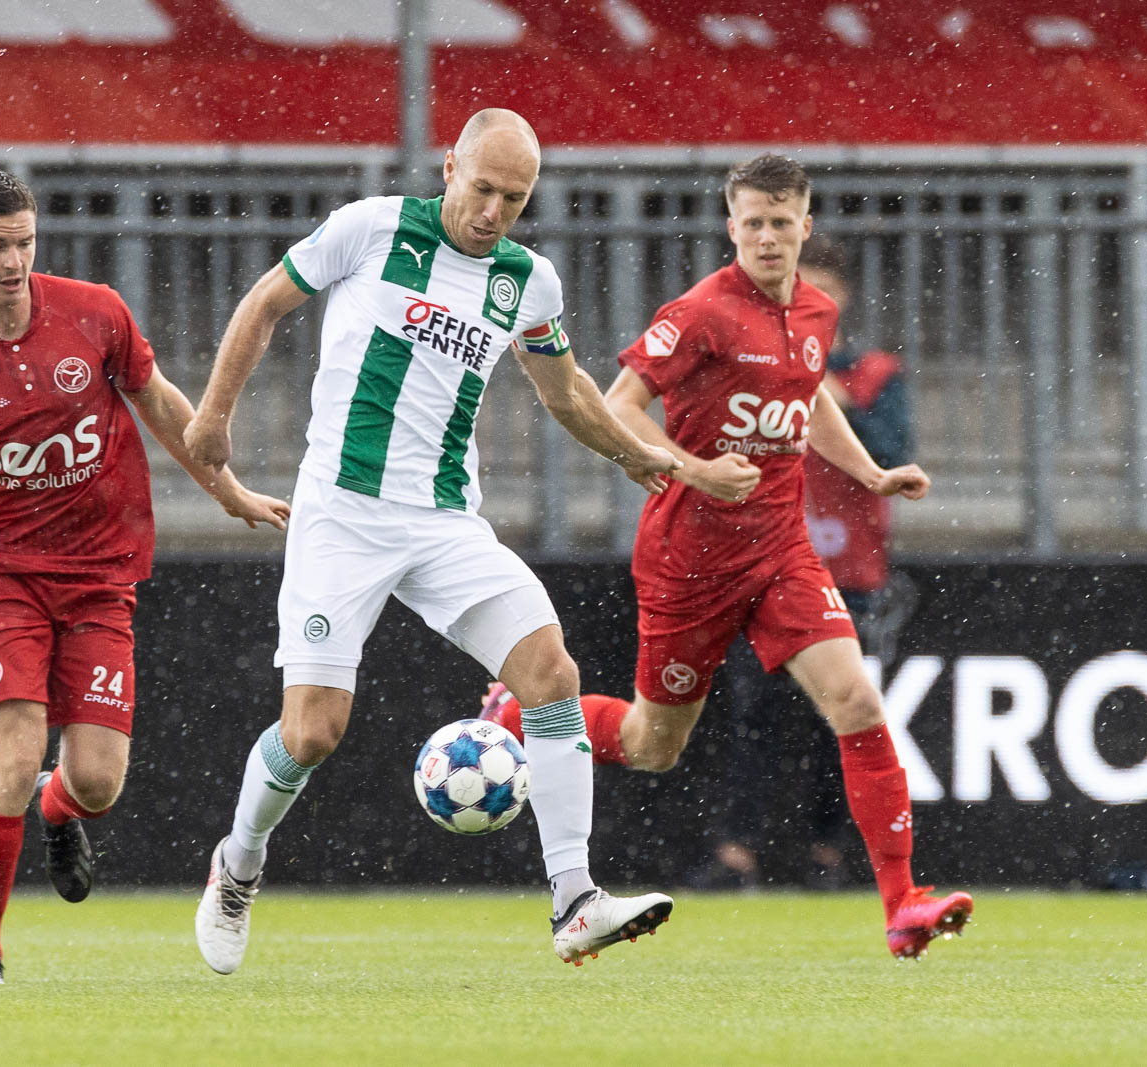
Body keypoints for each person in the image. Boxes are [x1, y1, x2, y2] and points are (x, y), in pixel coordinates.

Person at [182, 108, 682, 974]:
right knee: (312, 733)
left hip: (446, 520)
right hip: (341, 512)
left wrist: (632, 452)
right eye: (482, 187)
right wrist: (214, 415)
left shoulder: (528, 280)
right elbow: (266, 303)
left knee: (552, 674)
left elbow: (565, 393)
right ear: (449, 166)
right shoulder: (372, 228)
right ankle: (238, 863)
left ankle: (575, 899)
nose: (492, 211)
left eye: (514, 198)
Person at [482, 154, 972, 958]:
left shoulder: (814, 312)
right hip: (688, 560)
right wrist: (693, 467)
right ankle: (513, 712)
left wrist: (871, 473)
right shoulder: (702, 312)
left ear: (804, 226)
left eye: (783, 223)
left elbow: (807, 396)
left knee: (855, 701)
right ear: (731, 227)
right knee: (651, 744)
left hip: (782, 551)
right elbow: (619, 407)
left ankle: (902, 904)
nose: (769, 237)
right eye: (754, 223)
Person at [0, 168, 289, 985]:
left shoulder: (95, 312)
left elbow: (165, 405)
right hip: (3, 578)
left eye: (24, 241)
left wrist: (228, 491)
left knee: (95, 782)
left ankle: (59, 812)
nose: (14, 260)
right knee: (13, 757)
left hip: (100, 574)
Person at [691, 234, 918, 891]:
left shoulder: (875, 375)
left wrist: (831, 399)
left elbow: (895, 452)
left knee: (840, 719)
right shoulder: (754, 366)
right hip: (764, 567)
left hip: (850, 574)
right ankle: (737, 854)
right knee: (752, 716)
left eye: (815, 288)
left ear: (840, 298)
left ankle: (831, 853)